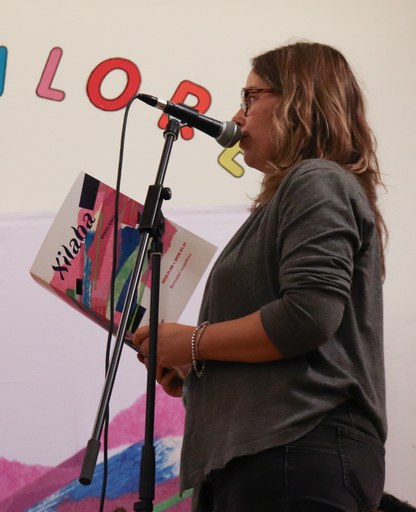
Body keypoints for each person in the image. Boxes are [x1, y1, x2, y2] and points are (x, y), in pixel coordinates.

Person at [133, 41, 387, 511]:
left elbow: (307, 317)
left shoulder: (317, 180)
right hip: (268, 455)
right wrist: (198, 370)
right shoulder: (297, 193)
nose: (237, 115)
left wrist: (194, 342)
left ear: (300, 101)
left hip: (293, 448)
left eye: (250, 97)